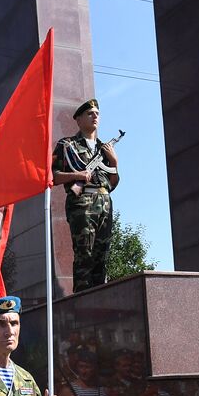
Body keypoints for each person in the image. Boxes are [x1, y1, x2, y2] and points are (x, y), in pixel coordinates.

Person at [52, 99, 119, 291]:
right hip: (82, 203)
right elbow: (53, 176)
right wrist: (77, 175)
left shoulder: (104, 149)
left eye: (97, 113)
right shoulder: (67, 145)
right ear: (78, 119)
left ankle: (100, 297)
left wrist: (114, 162)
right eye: (90, 113)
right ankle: (82, 301)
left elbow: (113, 184)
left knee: (102, 256)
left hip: (105, 201)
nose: (95, 116)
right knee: (85, 254)